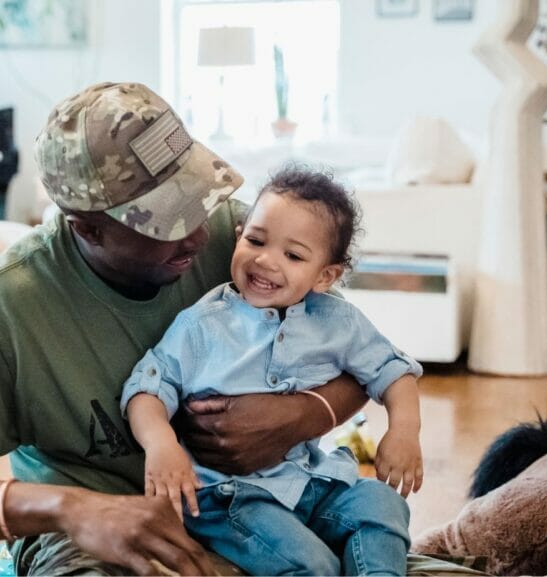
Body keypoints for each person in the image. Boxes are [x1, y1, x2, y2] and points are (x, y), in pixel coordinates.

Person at [0, 82, 371, 576]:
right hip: (93, 541)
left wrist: (302, 415)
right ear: (85, 226)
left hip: (255, 504)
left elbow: (364, 359)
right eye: (166, 221)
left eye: (198, 200)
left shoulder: (244, 244)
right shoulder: (0, 309)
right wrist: (71, 509)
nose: (199, 234)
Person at [122, 167, 424, 576]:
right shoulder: (202, 325)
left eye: (293, 255)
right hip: (229, 497)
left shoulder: (338, 321)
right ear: (239, 233)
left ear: (325, 276)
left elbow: (393, 371)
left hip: (311, 479)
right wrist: (160, 445)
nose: (265, 261)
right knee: (310, 565)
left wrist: (403, 431)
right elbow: (148, 388)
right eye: (256, 240)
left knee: (383, 505)